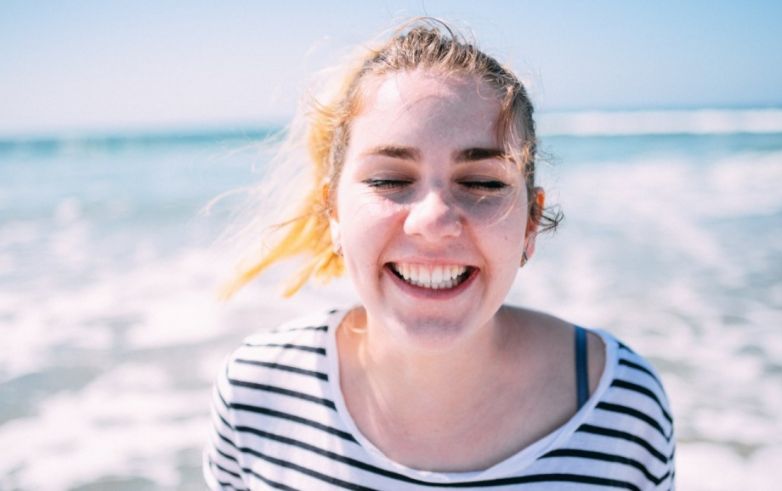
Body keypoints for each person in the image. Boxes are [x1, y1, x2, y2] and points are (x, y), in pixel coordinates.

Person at [204, 18, 675, 490]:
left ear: (532, 221)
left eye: (483, 183)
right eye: (389, 179)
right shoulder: (257, 395)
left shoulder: (621, 411)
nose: (432, 221)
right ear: (333, 212)